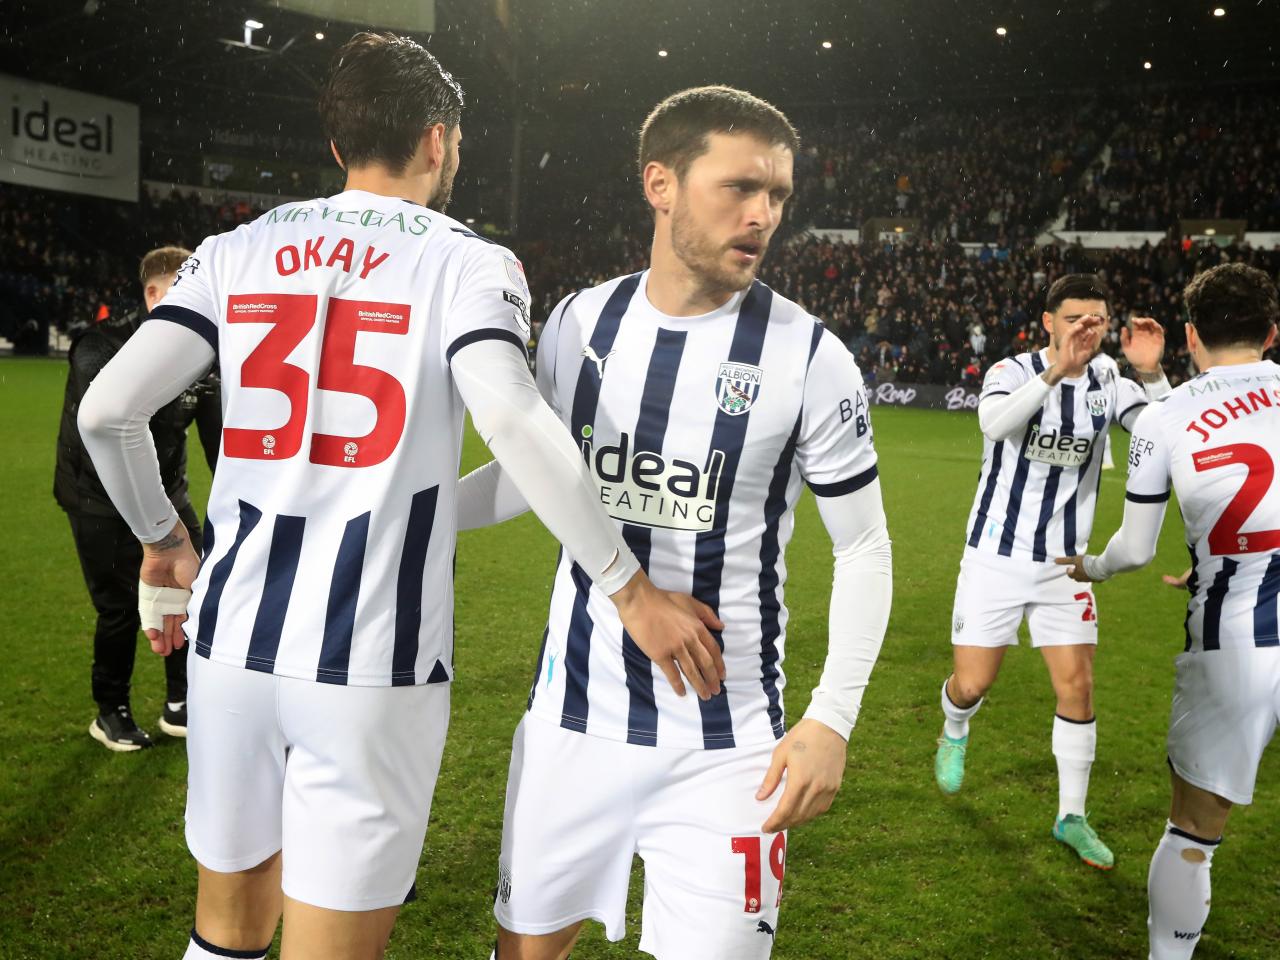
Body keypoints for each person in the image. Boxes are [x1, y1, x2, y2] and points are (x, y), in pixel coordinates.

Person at [78, 32, 718, 960]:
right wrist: (629, 589)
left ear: (338, 145)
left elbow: (108, 413)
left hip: (230, 645)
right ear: (436, 140)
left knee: (224, 933)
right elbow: (513, 418)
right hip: (371, 660)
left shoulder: (235, 248)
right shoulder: (468, 261)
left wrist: (163, 539)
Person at [456, 86, 893, 959]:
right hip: (571, 725)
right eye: (740, 187)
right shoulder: (580, 324)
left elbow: (864, 546)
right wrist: (412, 512)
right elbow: (535, 478)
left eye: (778, 194)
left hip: (728, 748)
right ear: (660, 184)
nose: (763, 215)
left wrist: (833, 718)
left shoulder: (811, 356)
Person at [1060, 263, 1280, 958]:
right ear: (1273, 333)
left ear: (1190, 335)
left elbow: (1133, 549)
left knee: (1193, 833)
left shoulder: (1165, 417)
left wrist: (1090, 567)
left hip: (1234, 642)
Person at [932, 273, 1169, 869]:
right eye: (1074, 320)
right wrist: (1055, 373)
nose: (1086, 330)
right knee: (972, 684)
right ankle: (955, 727)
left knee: (1078, 687)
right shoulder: (1012, 371)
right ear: (1048, 323)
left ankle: (1071, 816)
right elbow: (993, 424)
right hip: (995, 556)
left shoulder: (1109, 379)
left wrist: (1152, 375)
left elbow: (1164, 434)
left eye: (1097, 320)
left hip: (1066, 565)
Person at [54, 246, 215, 750]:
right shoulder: (100, 345)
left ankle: (180, 700)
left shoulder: (203, 350)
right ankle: (111, 710)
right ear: (153, 294)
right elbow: (103, 429)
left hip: (168, 491)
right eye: (189, 292)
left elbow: (221, 443)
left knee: (190, 590)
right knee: (119, 607)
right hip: (96, 497)